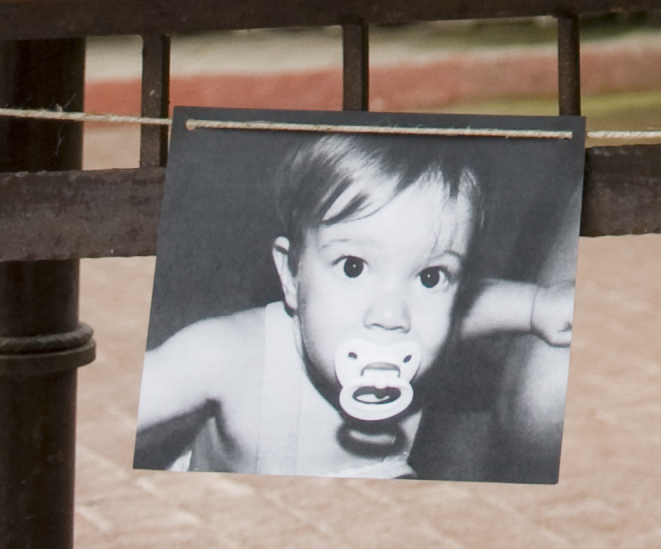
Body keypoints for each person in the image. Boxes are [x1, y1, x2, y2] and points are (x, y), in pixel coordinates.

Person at [136, 132, 573, 477]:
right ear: (291, 274)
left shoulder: (421, 333)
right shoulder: (225, 357)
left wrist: (537, 306)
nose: (391, 316)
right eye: (352, 267)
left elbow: (470, 309)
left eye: (429, 276)